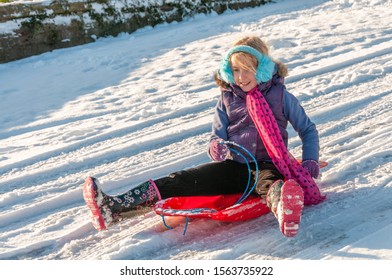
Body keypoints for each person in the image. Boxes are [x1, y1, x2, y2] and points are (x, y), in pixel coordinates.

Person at [83, 36, 324, 238]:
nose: (241, 77)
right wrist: (216, 147)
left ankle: (284, 208)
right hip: (234, 166)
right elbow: (216, 136)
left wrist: (310, 159)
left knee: (269, 184)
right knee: (181, 179)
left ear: (262, 69)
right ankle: (114, 208)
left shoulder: (281, 97)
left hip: (269, 164)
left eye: (247, 69)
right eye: (236, 70)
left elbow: (308, 130)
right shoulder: (227, 98)